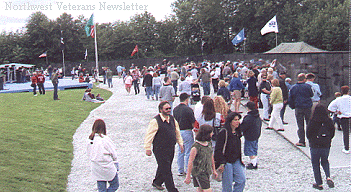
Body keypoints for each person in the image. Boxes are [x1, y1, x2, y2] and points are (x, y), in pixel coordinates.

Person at [144, 101, 184, 192]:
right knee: (166, 169)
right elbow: (149, 135)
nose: (168, 110)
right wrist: (147, 148)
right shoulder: (155, 121)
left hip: (170, 148)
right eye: (166, 109)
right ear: (161, 110)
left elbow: (177, 132)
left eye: (169, 108)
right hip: (159, 149)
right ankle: (172, 189)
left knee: (165, 165)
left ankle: (157, 182)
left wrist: (180, 143)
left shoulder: (173, 119)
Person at [214, 112, 246, 192]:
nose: (237, 122)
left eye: (238, 120)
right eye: (235, 120)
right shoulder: (224, 132)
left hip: (236, 160)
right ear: (230, 121)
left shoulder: (237, 132)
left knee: (241, 180)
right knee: (227, 185)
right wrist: (221, 162)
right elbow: (218, 150)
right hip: (226, 162)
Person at [306, 104, 335, 190]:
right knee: (325, 161)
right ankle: (328, 176)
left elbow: (308, 133)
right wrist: (328, 140)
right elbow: (332, 132)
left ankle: (319, 183)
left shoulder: (312, 121)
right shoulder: (328, 121)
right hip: (325, 145)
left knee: (315, 164)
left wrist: (311, 141)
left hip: (315, 145)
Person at [87, 119, 119, 192]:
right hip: (107, 166)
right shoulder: (105, 139)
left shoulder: (90, 140)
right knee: (115, 184)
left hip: (96, 167)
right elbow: (113, 152)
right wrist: (116, 162)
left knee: (101, 189)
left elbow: (89, 153)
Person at [184, 124, 218, 192]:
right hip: (199, 172)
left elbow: (211, 157)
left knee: (200, 189)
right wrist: (188, 176)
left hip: (207, 171)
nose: (212, 134)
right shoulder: (196, 146)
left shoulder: (209, 144)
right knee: (208, 190)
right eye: (211, 132)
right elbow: (190, 161)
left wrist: (214, 170)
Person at [173, 93, 196, 176]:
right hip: (187, 130)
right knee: (188, 151)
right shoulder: (188, 110)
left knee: (180, 151)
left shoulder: (175, 109)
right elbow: (193, 122)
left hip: (178, 131)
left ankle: (180, 170)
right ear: (187, 99)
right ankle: (188, 170)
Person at [288, 73, 314, 147]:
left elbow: (290, 98)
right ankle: (311, 140)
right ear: (304, 79)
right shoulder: (308, 87)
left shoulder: (293, 88)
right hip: (307, 107)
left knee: (300, 125)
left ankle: (302, 141)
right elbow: (311, 95)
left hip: (298, 107)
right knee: (309, 124)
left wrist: (293, 106)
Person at [328, 85, 351, 154]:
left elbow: (330, 107)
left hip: (343, 117)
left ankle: (346, 148)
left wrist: (336, 111)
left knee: (345, 133)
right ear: (348, 91)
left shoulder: (338, 100)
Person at [240, 101, 262, 169]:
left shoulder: (248, 117)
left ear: (248, 108)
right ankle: (254, 162)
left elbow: (244, 126)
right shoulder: (257, 116)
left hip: (249, 136)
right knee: (254, 149)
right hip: (256, 135)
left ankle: (254, 164)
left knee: (250, 150)